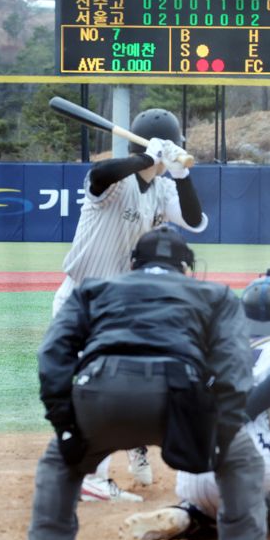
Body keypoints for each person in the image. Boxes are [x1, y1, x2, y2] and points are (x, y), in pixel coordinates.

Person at [28, 226, 266, 540]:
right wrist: (224, 428)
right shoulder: (215, 294)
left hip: (102, 394)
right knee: (240, 459)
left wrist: (64, 422)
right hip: (180, 398)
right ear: (186, 267)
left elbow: (53, 351)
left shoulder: (93, 289)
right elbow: (235, 364)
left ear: (133, 263)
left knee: (59, 463)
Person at [123, 270, 270, 540]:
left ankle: (189, 514)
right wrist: (237, 416)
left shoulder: (212, 346)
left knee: (253, 502)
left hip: (190, 474)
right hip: (244, 462)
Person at [53, 108, 208, 501]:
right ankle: (91, 477)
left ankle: (133, 442)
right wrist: (146, 159)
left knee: (137, 376)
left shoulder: (162, 188)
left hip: (123, 306)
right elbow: (99, 175)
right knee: (96, 384)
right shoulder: (114, 183)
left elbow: (193, 220)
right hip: (82, 298)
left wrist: (181, 174)